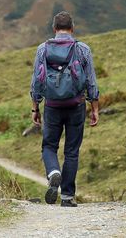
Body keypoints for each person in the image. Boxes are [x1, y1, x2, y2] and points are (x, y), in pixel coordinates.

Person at [30, 11, 99, 207]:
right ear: (72, 28)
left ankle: (53, 172)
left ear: (54, 29)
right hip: (76, 105)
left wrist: (35, 107)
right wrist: (94, 107)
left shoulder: (42, 49)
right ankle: (67, 196)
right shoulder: (82, 49)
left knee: (49, 146)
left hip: (52, 105)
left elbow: (36, 80)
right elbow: (91, 81)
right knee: (72, 151)